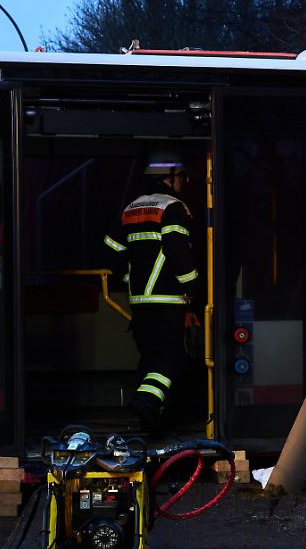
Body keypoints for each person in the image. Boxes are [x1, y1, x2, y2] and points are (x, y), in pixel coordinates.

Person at [103, 151, 200, 436]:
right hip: (168, 299)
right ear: (167, 178)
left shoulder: (130, 209)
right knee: (172, 358)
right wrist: (192, 285)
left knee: (150, 360)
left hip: (140, 303)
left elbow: (111, 251)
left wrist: (128, 278)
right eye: (181, 176)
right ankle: (145, 401)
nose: (184, 182)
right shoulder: (173, 208)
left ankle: (150, 422)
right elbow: (177, 251)